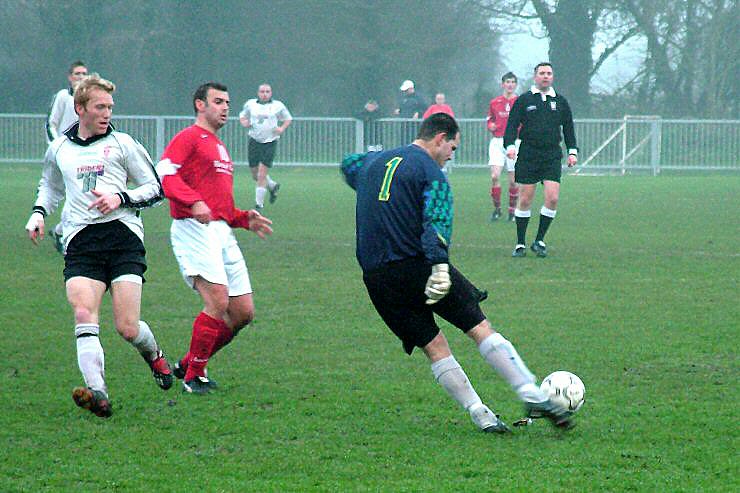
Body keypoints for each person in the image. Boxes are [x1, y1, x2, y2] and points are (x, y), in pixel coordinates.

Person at [340, 113, 574, 433]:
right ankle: (530, 392)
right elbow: (437, 221)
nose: (452, 154)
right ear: (439, 138)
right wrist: (438, 265)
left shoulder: (372, 163)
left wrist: (375, 164)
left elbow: (348, 163)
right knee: (478, 327)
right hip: (418, 265)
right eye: (453, 146)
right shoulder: (431, 173)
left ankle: (481, 415)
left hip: (377, 277)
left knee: (434, 346)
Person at [25, 74, 172, 418]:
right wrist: (38, 213)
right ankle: (98, 392)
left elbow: (156, 188)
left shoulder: (123, 144)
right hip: (81, 242)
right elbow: (49, 186)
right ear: (80, 109)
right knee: (83, 313)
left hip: (123, 239)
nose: (107, 113)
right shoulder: (60, 148)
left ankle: (154, 355)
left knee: (127, 327)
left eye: (110, 107)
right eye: (100, 106)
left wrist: (120, 197)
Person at [157, 82, 274, 395]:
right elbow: (165, 173)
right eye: (218, 101)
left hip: (220, 231)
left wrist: (241, 218)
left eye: (227, 102)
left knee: (243, 312)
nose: (225, 107)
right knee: (217, 301)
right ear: (200, 104)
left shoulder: (218, 146)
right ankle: (193, 377)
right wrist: (191, 200)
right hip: (192, 227)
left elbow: (218, 204)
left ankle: (187, 363)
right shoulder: (189, 138)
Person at [505, 62, 578, 258]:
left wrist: (572, 151)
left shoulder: (560, 102)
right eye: (542, 73)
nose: (546, 76)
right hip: (529, 154)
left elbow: (568, 128)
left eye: (549, 73)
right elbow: (512, 125)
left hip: (551, 155)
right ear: (535, 76)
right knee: (526, 198)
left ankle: (539, 240)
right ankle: (520, 243)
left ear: (552, 77)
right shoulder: (524, 100)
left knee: (553, 198)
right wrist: (510, 146)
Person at [46, 60, 89, 253]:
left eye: (84, 74)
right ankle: (63, 234)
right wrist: (57, 148)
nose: (81, 77)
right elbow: (51, 124)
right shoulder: (63, 97)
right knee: (73, 194)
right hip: (65, 154)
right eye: (77, 74)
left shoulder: (89, 98)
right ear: (70, 77)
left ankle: (60, 231)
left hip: (84, 155)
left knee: (83, 195)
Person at [239, 83, 292, 210]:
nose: (265, 94)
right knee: (255, 174)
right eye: (262, 91)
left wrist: (281, 128)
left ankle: (259, 205)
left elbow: (288, 118)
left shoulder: (277, 106)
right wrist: (244, 122)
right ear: (258, 93)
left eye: (267, 91)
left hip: (270, 142)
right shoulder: (250, 104)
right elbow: (242, 116)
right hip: (254, 140)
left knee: (262, 174)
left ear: (271, 93)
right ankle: (272, 186)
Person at [487, 72, 519, 222]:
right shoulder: (495, 102)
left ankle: (512, 212)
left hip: (514, 143)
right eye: (508, 82)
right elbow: (489, 120)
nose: (510, 84)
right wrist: (491, 125)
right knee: (495, 176)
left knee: (513, 181)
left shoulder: (520, 102)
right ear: (503, 84)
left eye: (513, 82)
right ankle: (497, 209)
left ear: (515, 85)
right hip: (497, 142)